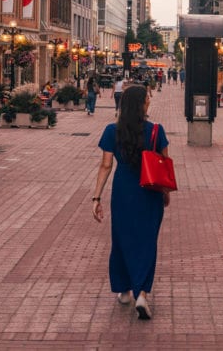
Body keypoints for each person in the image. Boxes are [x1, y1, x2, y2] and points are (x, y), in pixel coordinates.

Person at [91, 85, 170, 320]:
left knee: (122, 240)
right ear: (141, 104)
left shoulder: (111, 131)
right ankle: (142, 293)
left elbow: (106, 165)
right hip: (150, 191)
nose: (149, 101)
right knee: (147, 241)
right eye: (147, 98)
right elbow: (165, 163)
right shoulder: (156, 131)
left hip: (123, 191)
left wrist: (96, 197)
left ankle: (124, 290)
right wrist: (165, 192)